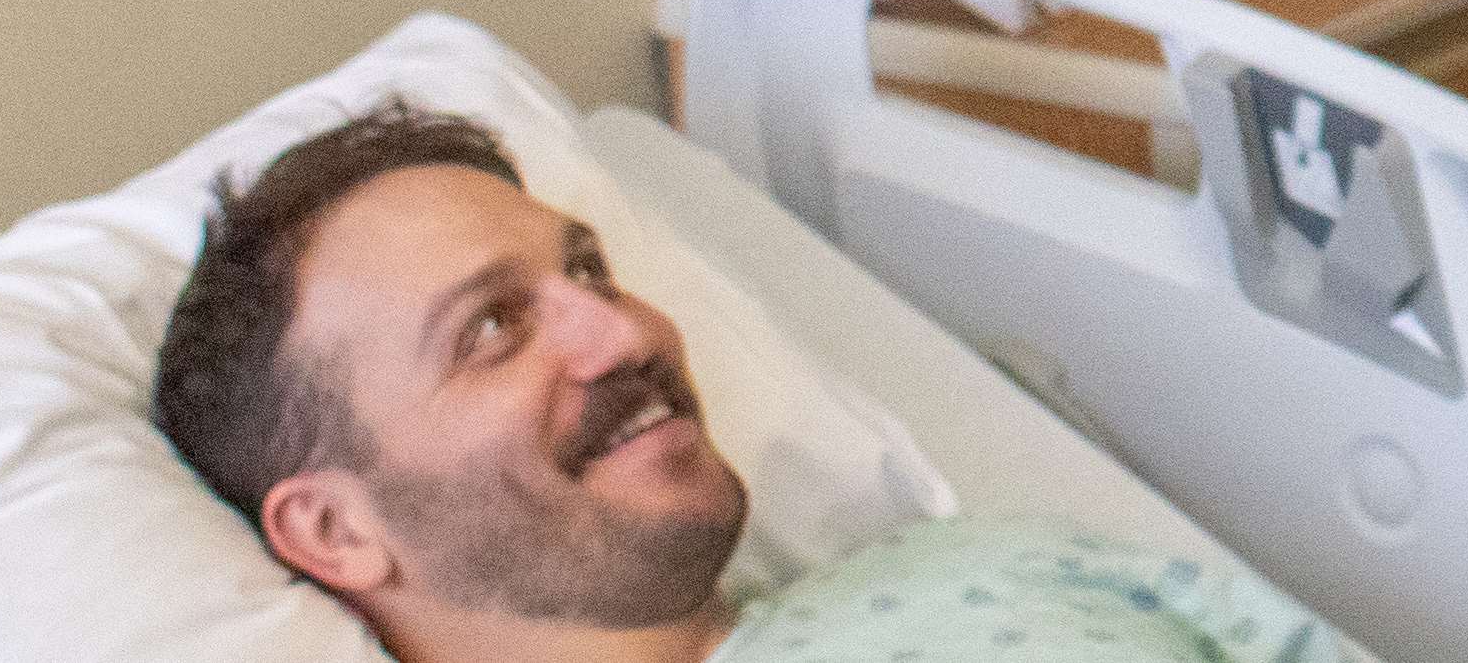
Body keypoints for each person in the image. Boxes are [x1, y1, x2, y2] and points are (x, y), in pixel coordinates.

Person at [149, 105, 1355, 663]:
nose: (617, 332)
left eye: (588, 270)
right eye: (494, 327)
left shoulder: (983, 560)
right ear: (335, 527)